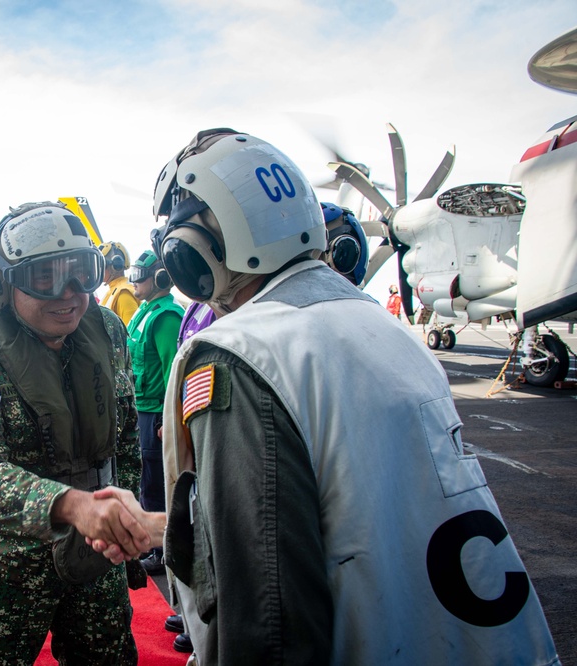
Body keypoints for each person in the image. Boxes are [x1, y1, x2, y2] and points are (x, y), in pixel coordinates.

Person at [95, 128, 560, 664]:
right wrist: (166, 530)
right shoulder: (383, 330)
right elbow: (351, 506)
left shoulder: (243, 354)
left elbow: (267, 623)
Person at [0, 201, 150, 664]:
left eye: (81, 273)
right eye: (44, 278)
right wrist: (71, 506)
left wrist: (124, 521)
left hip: (97, 553)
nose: (68, 293)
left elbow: (126, 437)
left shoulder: (108, 331)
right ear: (1, 285)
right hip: (13, 562)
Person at [125, 249, 183, 576]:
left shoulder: (165, 317)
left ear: (159, 278)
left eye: (140, 275)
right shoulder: (145, 311)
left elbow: (172, 372)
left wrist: (166, 417)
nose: (135, 281)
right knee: (146, 482)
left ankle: (162, 553)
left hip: (153, 414)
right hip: (140, 408)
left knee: (156, 486)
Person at [99, 241, 140, 325]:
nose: (98, 269)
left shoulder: (123, 293)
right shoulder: (113, 290)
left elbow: (131, 334)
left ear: (115, 265)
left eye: (101, 264)